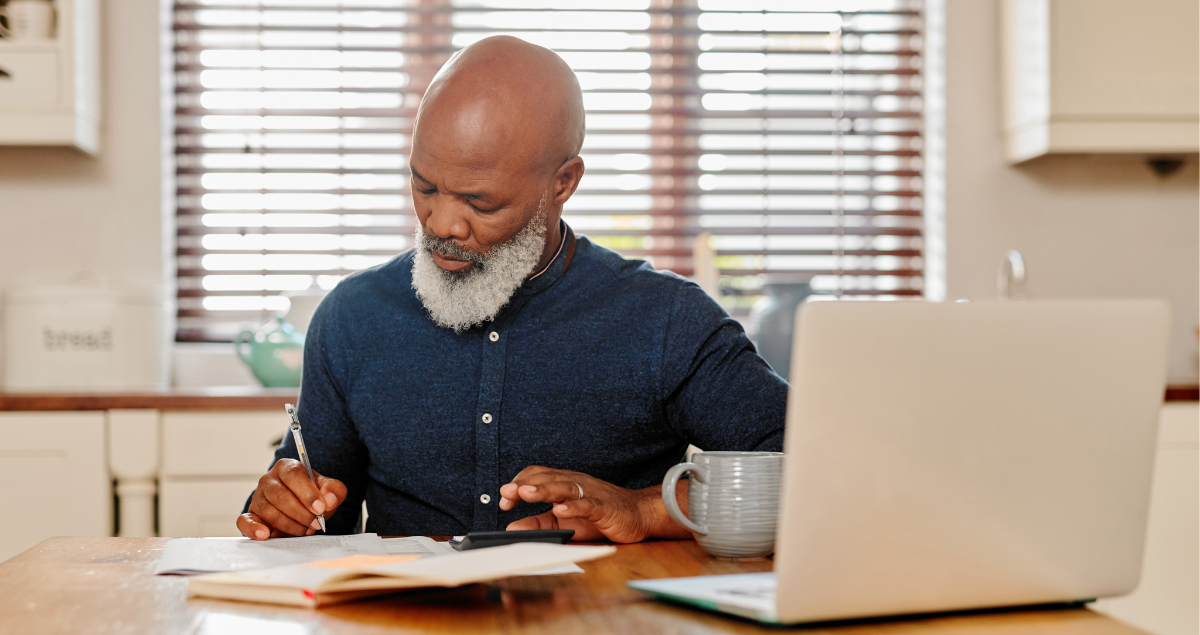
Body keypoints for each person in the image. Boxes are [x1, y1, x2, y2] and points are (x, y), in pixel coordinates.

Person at [237, 35, 787, 543]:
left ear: (564, 182)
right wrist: (282, 510)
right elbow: (310, 515)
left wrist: (643, 509)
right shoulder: (352, 318)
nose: (442, 225)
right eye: (424, 186)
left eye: (481, 202)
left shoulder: (667, 320)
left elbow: (812, 467)